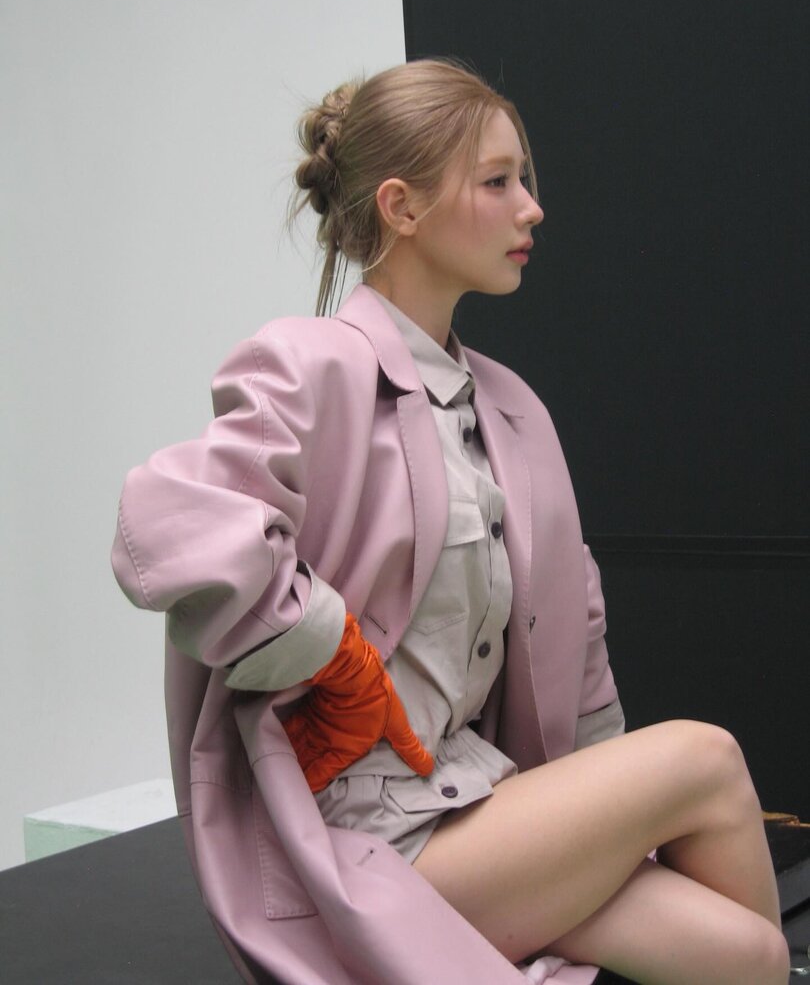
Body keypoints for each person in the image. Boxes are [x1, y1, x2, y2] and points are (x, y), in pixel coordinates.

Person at [111, 57, 789, 985]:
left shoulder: (511, 409)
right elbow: (166, 527)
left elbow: (580, 643)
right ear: (401, 207)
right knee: (706, 758)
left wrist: (607, 824)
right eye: (497, 182)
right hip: (365, 838)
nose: (532, 209)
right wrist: (328, 652)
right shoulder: (309, 363)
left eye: (525, 180)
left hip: (486, 805)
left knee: (751, 953)